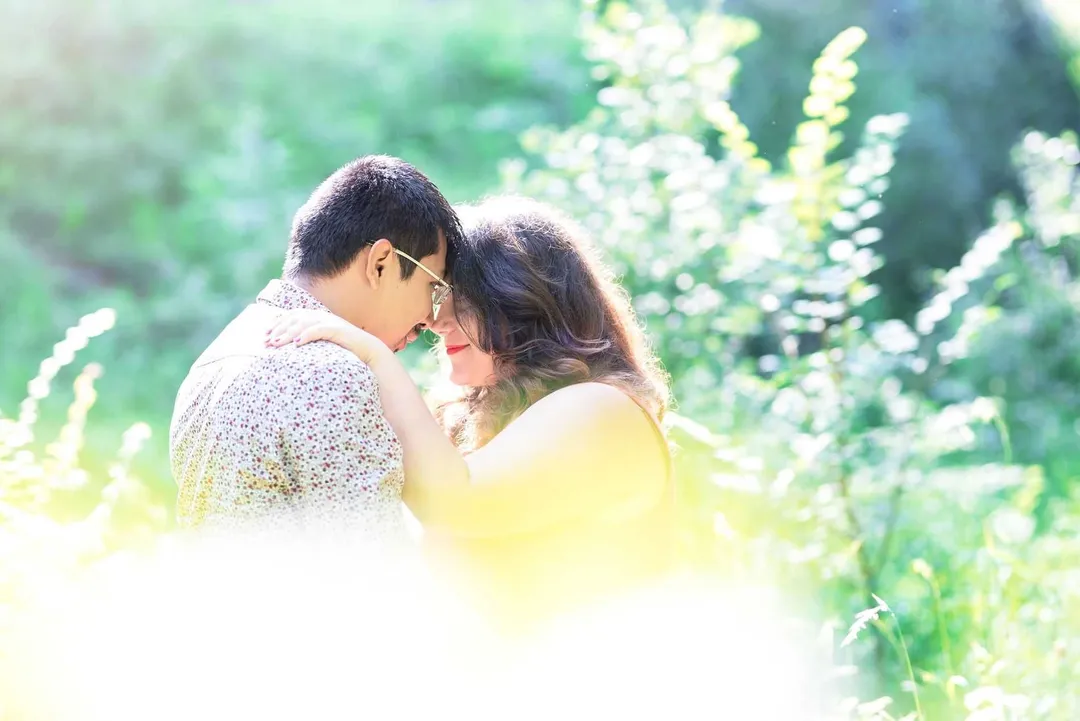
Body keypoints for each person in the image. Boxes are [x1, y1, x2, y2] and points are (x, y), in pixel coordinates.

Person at [266, 196, 674, 629]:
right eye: (432, 295)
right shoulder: (472, 417)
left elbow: (455, 504)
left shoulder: (601, 409)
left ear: (519, 298)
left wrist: (375, 357)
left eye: (454, 297)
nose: (433, 320)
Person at [170, 155, 461, 540]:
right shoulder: (331, 376)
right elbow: (375, 574)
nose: (429, 317)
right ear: (380, 264)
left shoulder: (214, 359)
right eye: (433, 286)